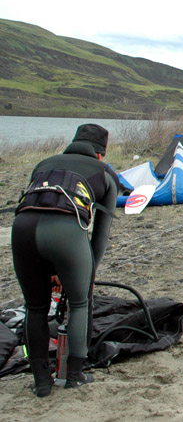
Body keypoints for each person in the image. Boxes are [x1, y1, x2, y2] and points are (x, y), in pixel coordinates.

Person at [11, 124, 119, 397]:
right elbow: (100, 235)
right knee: (81, 302)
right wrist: (86, 273)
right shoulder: (105, 173)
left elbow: (41, 208)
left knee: (35, 307)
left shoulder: (43, 164)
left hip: (22, 229)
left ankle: (41, 381)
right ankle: (74, 375)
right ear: (100, 154)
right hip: (66, 233)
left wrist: (53, 269)